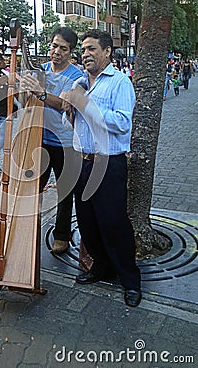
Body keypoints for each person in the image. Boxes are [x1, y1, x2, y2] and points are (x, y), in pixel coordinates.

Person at [61, 29, 141, 307]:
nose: (85, 55)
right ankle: (100, 267)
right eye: (83, 50)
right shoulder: (81, 84)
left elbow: (122, 123)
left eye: (92, 49)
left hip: (108, 165)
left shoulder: (120, 83)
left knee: (113, 223)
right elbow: (68, 120)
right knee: (87, 222)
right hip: (82, 163)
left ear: (107, 51)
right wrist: (71, 108)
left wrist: (86, 105)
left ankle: (130, 280)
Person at [21, 27, 82, 255]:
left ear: (71, 52)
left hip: (65, 143)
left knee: (64, 192)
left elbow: (65, 104)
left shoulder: (77, 77)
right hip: (39, 139)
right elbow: (26, 98)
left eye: (63, 48)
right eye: (54, 46)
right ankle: (28, 230)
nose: (56, 52)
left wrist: (41, 93)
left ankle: (61, 236)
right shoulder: (42, 71)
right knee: (33, 189)